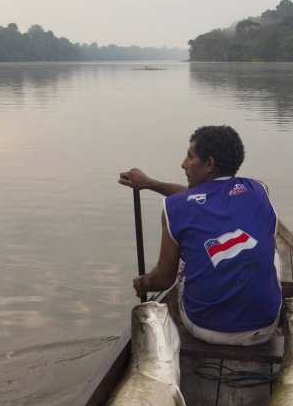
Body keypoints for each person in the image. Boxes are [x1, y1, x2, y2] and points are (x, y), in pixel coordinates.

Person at [119, 125, 282, 346]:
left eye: (189, 157)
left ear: (209, 164)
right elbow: (199, 196)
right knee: (273, 252)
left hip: (205, 327)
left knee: (183, 266)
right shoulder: (259, 190)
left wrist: (143, 283)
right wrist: (149, 184)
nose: (183, 164)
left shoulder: (174, 209)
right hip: (264, 327)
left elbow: (164, 279)